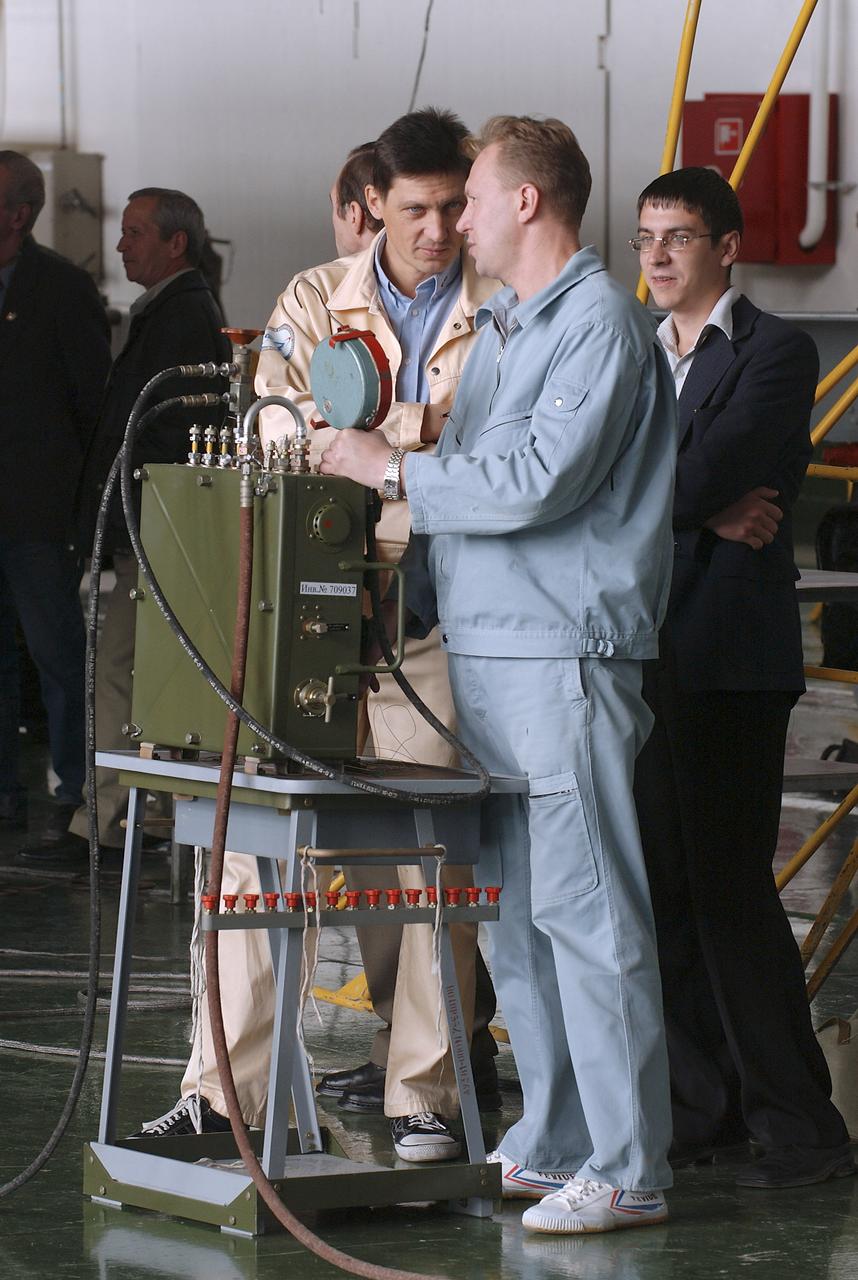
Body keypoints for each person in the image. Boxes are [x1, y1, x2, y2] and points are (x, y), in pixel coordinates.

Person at [320, 115, 677, 1235]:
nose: (453, 218)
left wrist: (394, 467)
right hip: (487, 657)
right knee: (518, 916)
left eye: (469, 197)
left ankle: (628, 1161)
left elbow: (533, 481)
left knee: (589, 913)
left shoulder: (600, 329)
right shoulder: (513, 330)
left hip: (562, 659)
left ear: (526, 203)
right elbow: (472, 486)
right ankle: (561, 1135)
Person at [139, 112, 501, 1163]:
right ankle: (222, 1094)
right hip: (306, 616)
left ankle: (422, 1095)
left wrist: (368, 441)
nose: (437, 230)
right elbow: (271, 427)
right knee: (248, 860)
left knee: (423, 864)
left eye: (451, 208)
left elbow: (498, 452)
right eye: (416, 209)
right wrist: (409, 433)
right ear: (373, 205)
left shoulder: (502, 310)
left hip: (430, 626)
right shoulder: (313, 297)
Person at [631, 166, 855, 1189]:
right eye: (644, 239)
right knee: (663, 889)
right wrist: (688, 505)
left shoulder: (777, 350)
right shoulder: (633, 355)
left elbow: (705, 475)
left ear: (726, 247)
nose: (659, 256)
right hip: (641, 651)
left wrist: (669, 499)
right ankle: (700, 1108)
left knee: (728, 891)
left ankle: (799, 1122)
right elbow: (657, 485)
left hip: (727, 659)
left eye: (678, 236)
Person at [19, 187, 230, 867]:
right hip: (150, 526)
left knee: (116, 671)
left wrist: (126, 519)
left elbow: (166, 434)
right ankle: (122, 818)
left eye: (135, 233)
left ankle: (112, 826)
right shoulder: (170, 311)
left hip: (155, 529)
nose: (120, 244)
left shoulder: (182, 316)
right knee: (124, 671)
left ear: (176, 243)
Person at [0, 151, 111, 834]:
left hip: (37, 516)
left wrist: (79, 506)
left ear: (18, 214)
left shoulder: (64, 290)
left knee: (59, 658)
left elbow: (92, 408)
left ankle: (77, 790)